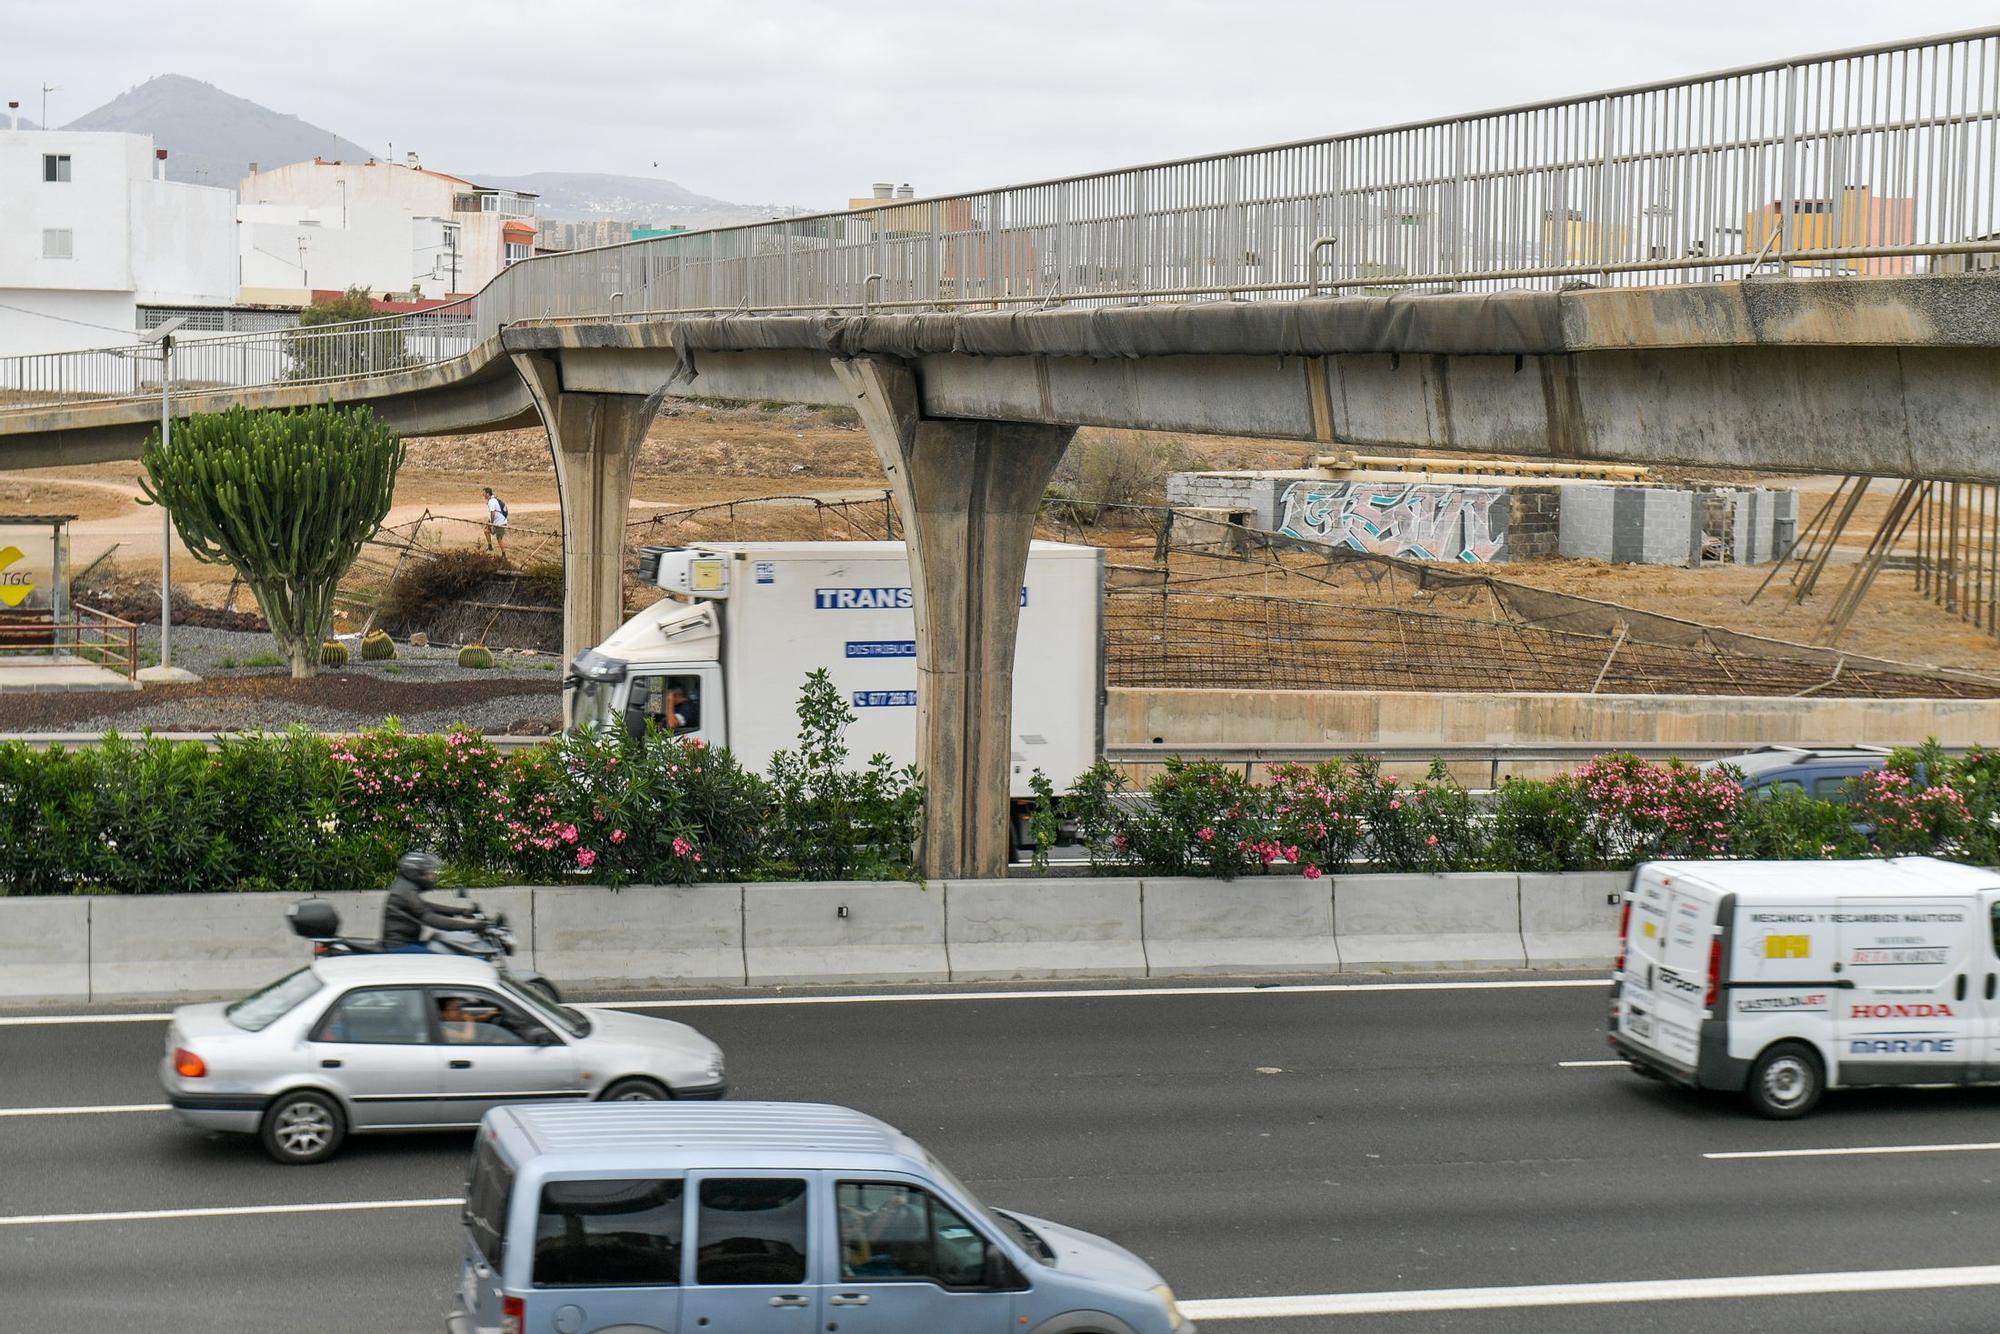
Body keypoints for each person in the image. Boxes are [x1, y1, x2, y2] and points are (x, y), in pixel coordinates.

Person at [380, 850, 483, 951]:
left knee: (437, 944)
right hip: (399, 947)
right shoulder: (406, 893)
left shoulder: (405, 888)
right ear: (415, 873)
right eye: (427, 873)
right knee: (441, 960)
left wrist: (462, 911)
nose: (432, 876)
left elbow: (428, 907)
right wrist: (472, 926)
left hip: (407, 942)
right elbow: (432, 919)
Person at [482, 487, 509, 558]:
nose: (483, 495)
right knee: (486, 531)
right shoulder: (492, 500)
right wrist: (489, 522)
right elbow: (491, 514)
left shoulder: (492, 501)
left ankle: (504, 554)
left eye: (484, 493)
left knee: (499, 538)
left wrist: (492, 524)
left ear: (487, 494)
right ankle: (490, 547)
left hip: (500, 523)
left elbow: (493, 513)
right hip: (496, 521)